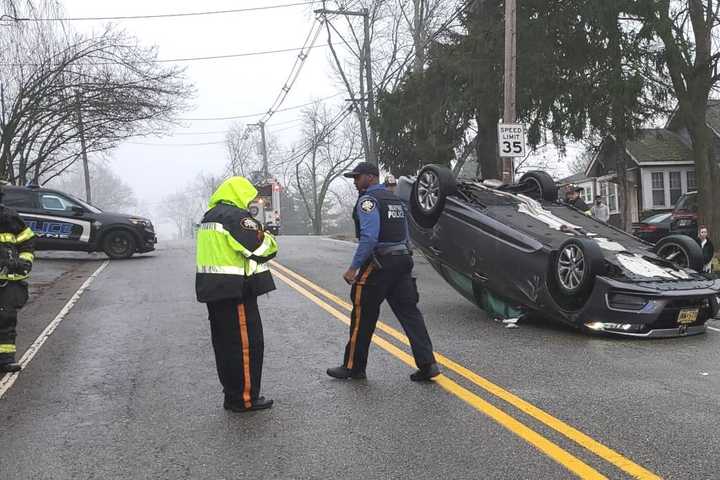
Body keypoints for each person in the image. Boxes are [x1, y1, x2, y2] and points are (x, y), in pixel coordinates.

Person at [327, 162, 440, 382]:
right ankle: (428, 364)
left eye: (357, 177)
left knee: (362, 314)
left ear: (370, 177)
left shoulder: (369, 201)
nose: (355, 182)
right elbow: (406, 234)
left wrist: (353, 268)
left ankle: (353, 367)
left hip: (380, 264)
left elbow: (369, 237)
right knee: (410, 314)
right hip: (402, 261)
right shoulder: (394, 199)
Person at [195, 176, 279, 413]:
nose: (249, 201)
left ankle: (232, 395)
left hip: (215, 291)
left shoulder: (209, 216)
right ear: (239, 193)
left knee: (225, 346)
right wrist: (269, 237)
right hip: (236, 292)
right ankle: (245, 398)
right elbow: (261, 247)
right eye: (248, 196)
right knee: (246, 346)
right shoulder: (235, 217)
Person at [0, 186, 35, 373]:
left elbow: (27, 240)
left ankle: (6, 359)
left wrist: (24, 261)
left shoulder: (11, 217)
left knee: (6, 318)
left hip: (9, 280)